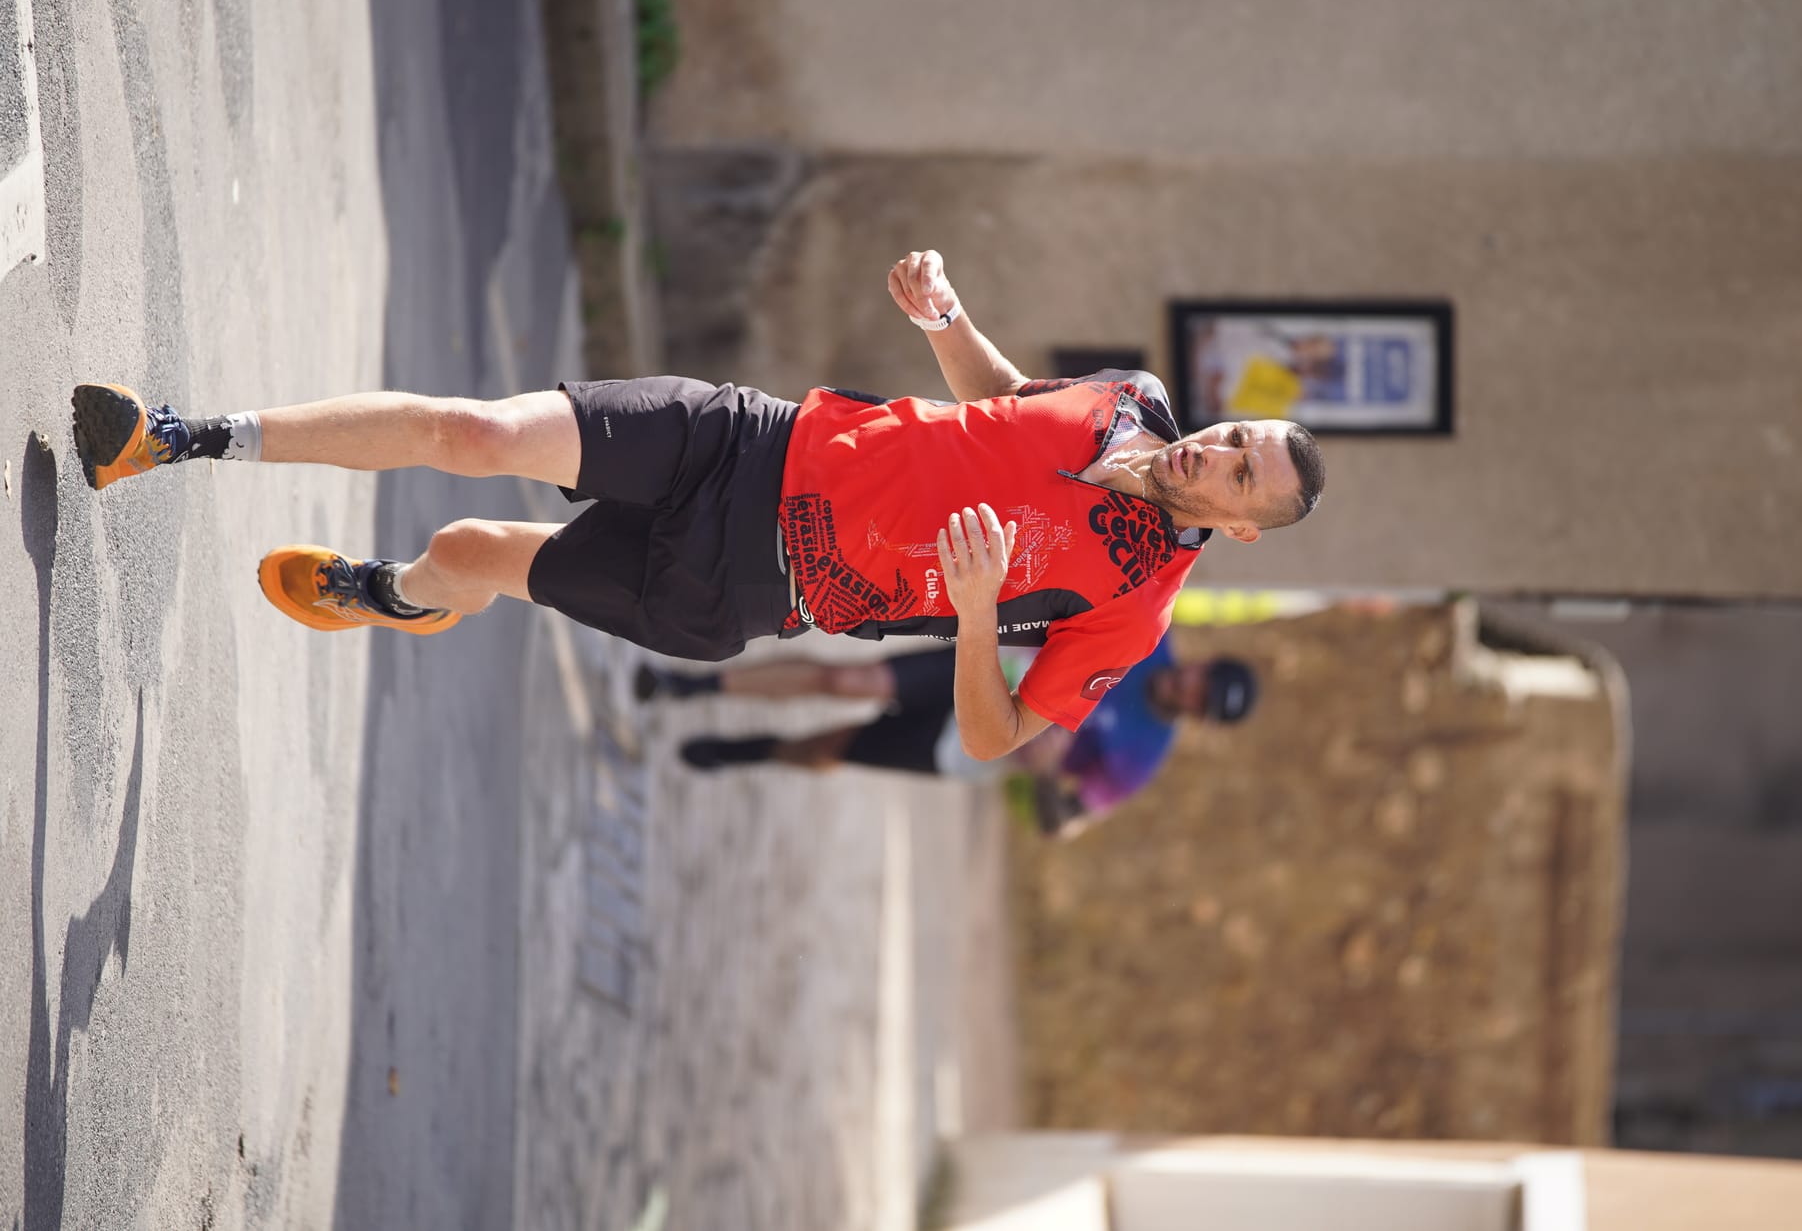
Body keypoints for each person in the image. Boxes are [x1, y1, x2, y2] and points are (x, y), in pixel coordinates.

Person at [69, 251, 1323, 759]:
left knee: (464, 551)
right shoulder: (1133, 399)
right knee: (479, 433)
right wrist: (948, 321)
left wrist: (985, 612)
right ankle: (178, 438)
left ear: (1242, 529)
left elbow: (996, 739)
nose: (1216, 451)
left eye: (1239, 474)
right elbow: (1004, 403)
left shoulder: (1132, 607)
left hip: (753, 585)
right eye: (1237, 436)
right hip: (750, 441)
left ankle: (392, 596)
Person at [636, 637, 1257, 834]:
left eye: (1204, 703)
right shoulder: (1143, 636)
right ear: (1204, 663)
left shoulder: (1140, 757)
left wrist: (1043, 773)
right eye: (1206, 679)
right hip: (983, 670)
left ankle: (752, 752)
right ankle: (691, 687)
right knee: (850, 679)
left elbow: (1062, 822)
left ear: (1200, 718)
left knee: (835, 747)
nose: (1192, 689)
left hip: (973, 748)